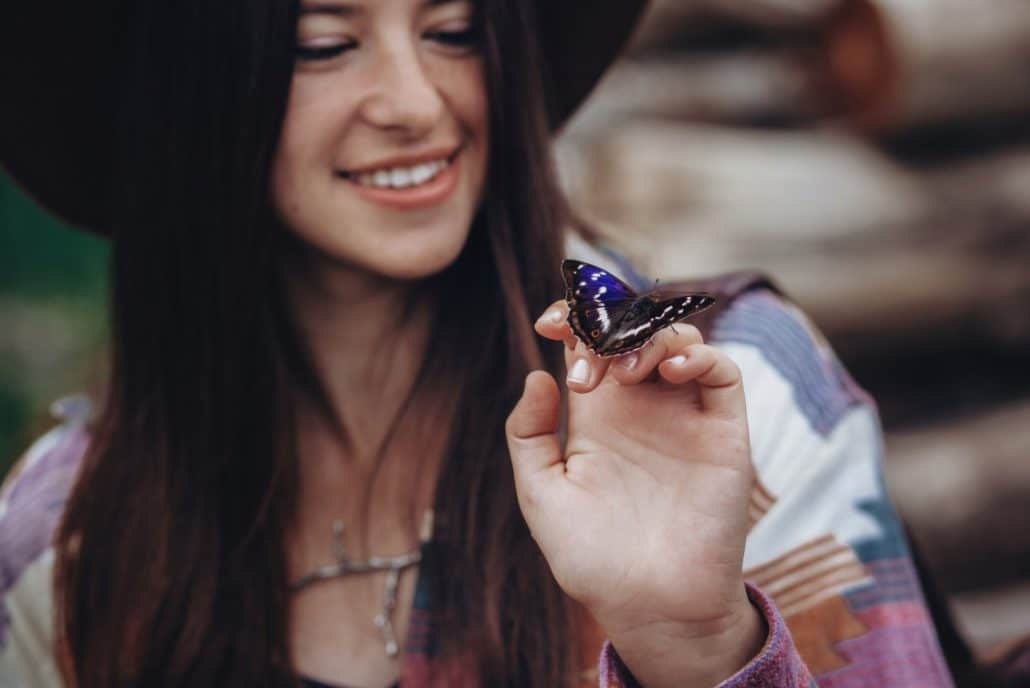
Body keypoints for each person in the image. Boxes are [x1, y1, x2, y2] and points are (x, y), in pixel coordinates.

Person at [0, 0, 954, 686]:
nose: (417, 103)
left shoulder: (714, 399)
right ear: (188, 99)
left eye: (454, 32)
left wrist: (697, 645)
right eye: (323, 45)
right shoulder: (67, 546)